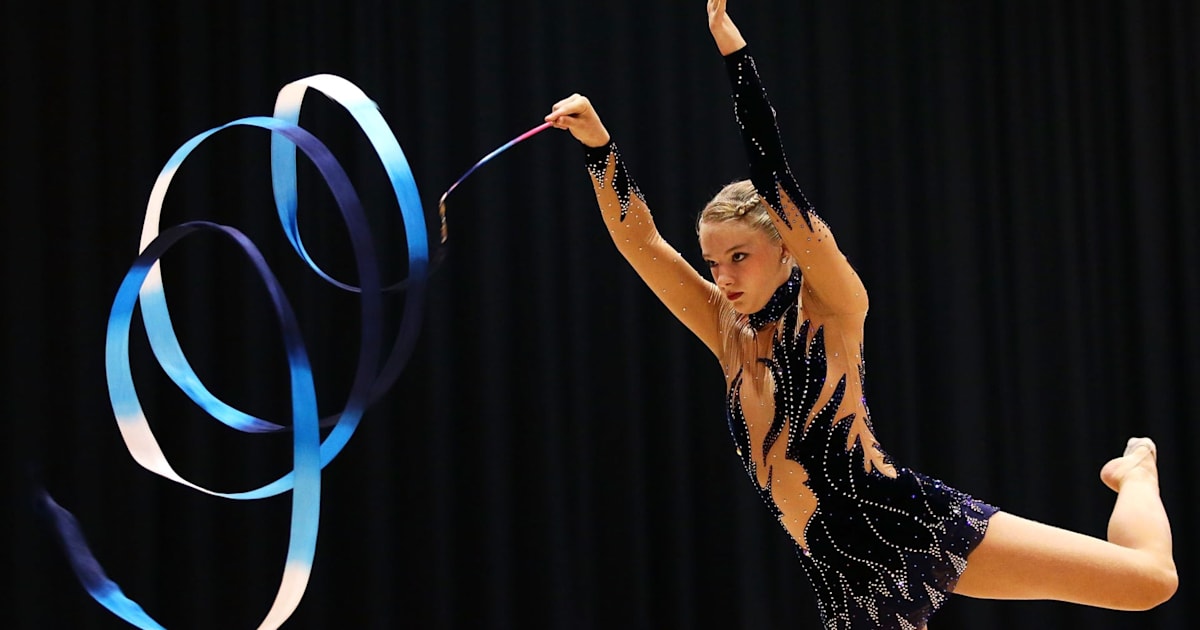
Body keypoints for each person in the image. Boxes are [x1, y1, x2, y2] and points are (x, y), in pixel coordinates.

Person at [543, 1, 1178, 628]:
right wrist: (599, 145)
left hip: (902, 520)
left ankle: (1136, 472)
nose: (724, 277)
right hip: (838, 568)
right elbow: (643, 244)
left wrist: (734, 54)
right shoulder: (727, 335)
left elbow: (777, 181)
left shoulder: (833, 305)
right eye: (714, 263)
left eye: (740, 256)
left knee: (1149, 582)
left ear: (786, 248)